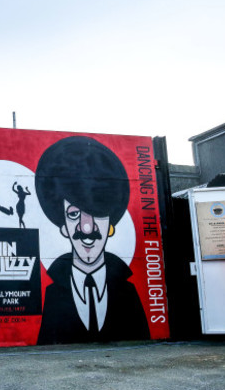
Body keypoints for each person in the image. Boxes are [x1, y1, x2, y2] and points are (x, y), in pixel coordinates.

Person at [35, 136, 149, 344]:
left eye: (96, 213)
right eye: (74, 214)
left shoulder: (128, 292)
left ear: (111, 224)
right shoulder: (51, 294)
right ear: (63, 227)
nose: (86, 228)